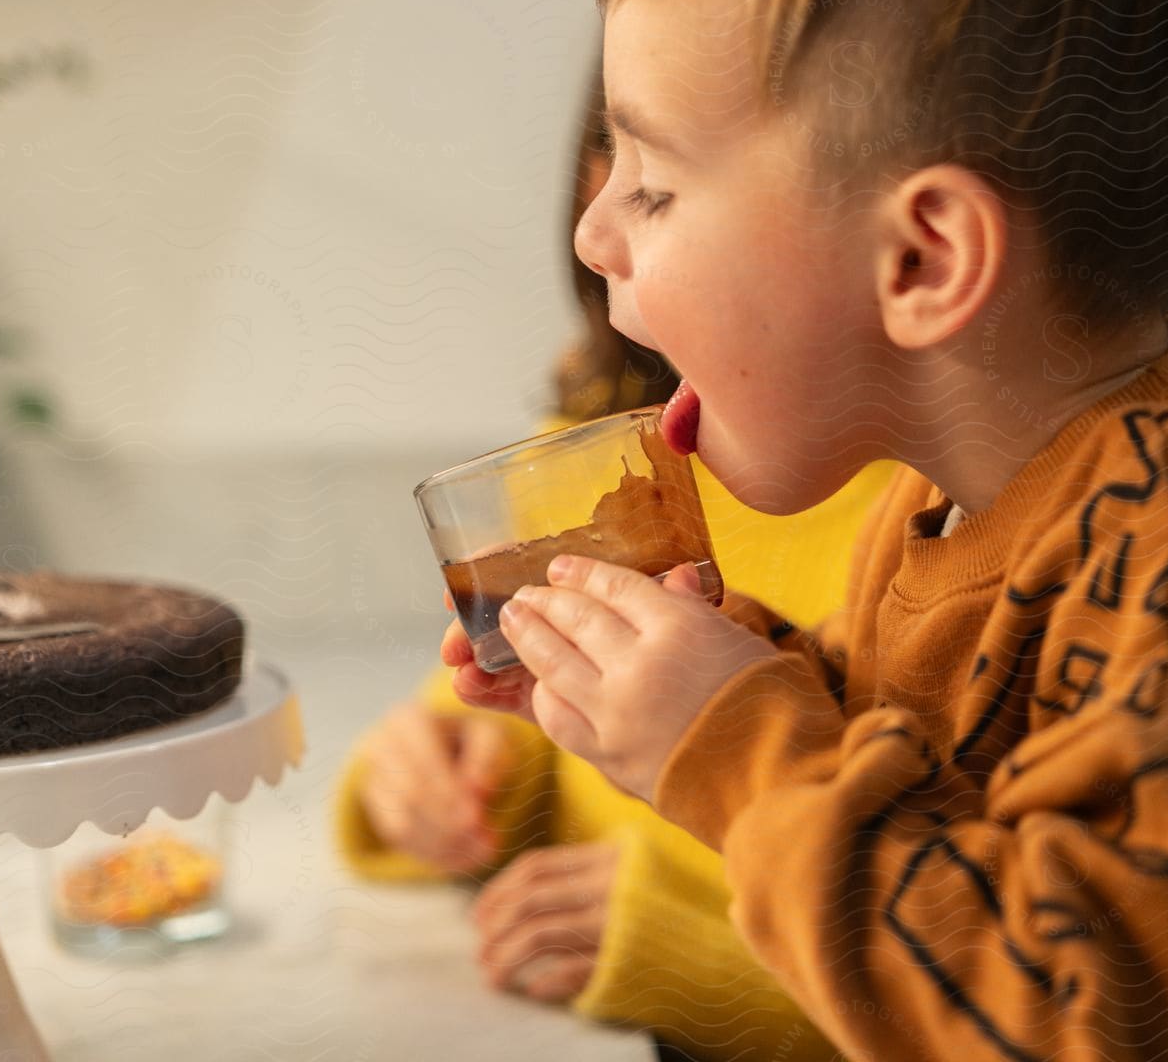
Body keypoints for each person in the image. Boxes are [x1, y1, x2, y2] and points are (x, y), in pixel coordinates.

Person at [446, 0, 1168, 1059]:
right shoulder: (957, 504)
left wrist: (732, 741)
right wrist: (705, 676)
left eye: (652, 188)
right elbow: (942, 804)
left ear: (921, 259)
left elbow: (1100, 1026)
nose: (592, 234)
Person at [335, 67, 896, 1060]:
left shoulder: (955, 530)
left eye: (656, 179)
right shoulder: (596, 452)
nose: (595, 227)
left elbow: (1015, 987)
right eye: (607, 152)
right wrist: (459, 783)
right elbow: (530, 732)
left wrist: (706, 960)